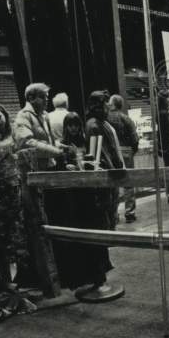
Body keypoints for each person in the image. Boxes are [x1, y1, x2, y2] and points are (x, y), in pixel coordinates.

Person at [48, 111, 116, 291]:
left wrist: (93, 165)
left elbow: (98, 162)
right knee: (80, 234)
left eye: (76, 125)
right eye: (70, 125)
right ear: (65, 127)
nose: (73, 128)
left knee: (95, 231)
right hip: (73, 196)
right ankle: (86, 276)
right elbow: (57, 169)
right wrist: (65, 166)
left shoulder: (87, 143)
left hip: (90, 194)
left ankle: (99, 274)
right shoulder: (60, 145)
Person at [12, 83, 66, 289]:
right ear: (32, 98)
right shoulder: (23, 117)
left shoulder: (42, 116)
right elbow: (26, 143)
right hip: (32, 179)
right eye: (43, 97)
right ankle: (42, 276)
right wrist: (55, 152)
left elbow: (48, 141)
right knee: (38, 225)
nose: (46, 101)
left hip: (46, 175)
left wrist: (60, 147)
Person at [84, 90, 123, 228]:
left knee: (112, 205)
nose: (108, 107)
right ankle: (108, 233)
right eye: (105, 103)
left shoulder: (102, 122)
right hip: (106, 173)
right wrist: (112, 170)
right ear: (98, 106)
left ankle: (111, 231)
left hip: (111, 171)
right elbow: (102, 152)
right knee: (107, 205)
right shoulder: (94, 125)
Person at [107, 94, 139, 223]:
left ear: (113, 104)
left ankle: (113, 213)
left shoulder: (105, 119)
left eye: (110, 102)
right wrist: (131, 151)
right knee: (128, 184)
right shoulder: (126, 118)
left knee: (112, 183)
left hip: (111, 152)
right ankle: (129, 213)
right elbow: (134, 138)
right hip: (126, 151)